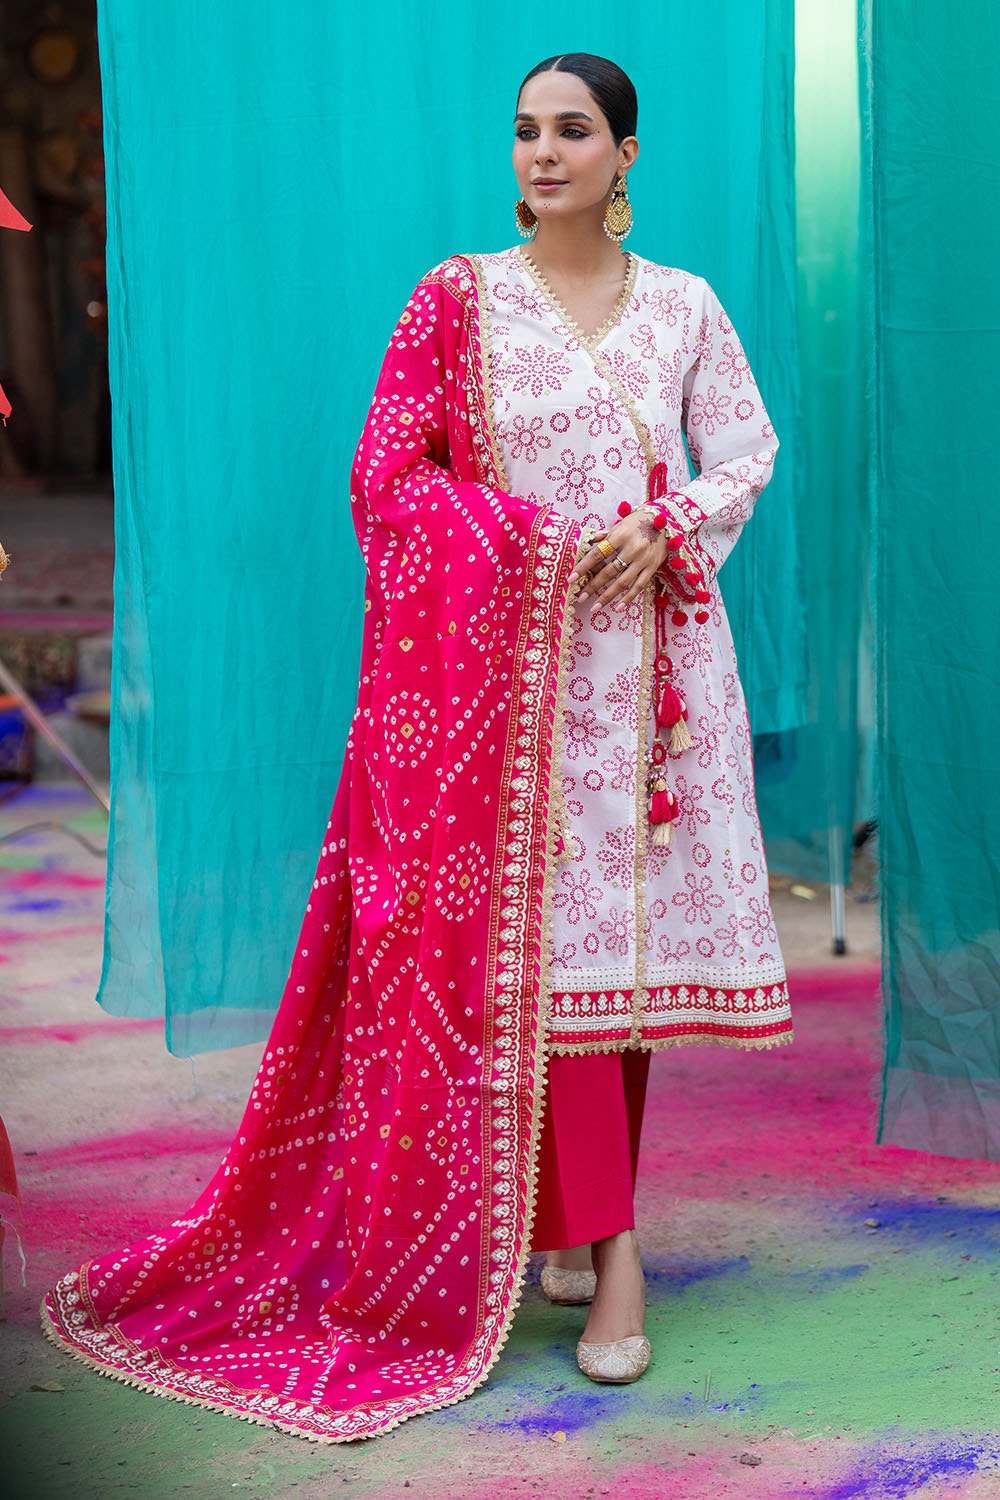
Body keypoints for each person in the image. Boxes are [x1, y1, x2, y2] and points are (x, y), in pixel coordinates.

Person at [43, 53, 790, 1441]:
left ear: (626, 156)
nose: (543, 152)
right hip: (504, 689)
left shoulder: (684, 305)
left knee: (617, 973)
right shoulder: (460, 300)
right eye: (526, 130)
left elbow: (745, 449)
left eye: (573, 131)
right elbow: (389, 479)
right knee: (553, 961)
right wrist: (539, 544)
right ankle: (617, 1253)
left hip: (655, 681)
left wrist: (675, 524)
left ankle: (571, 1221)